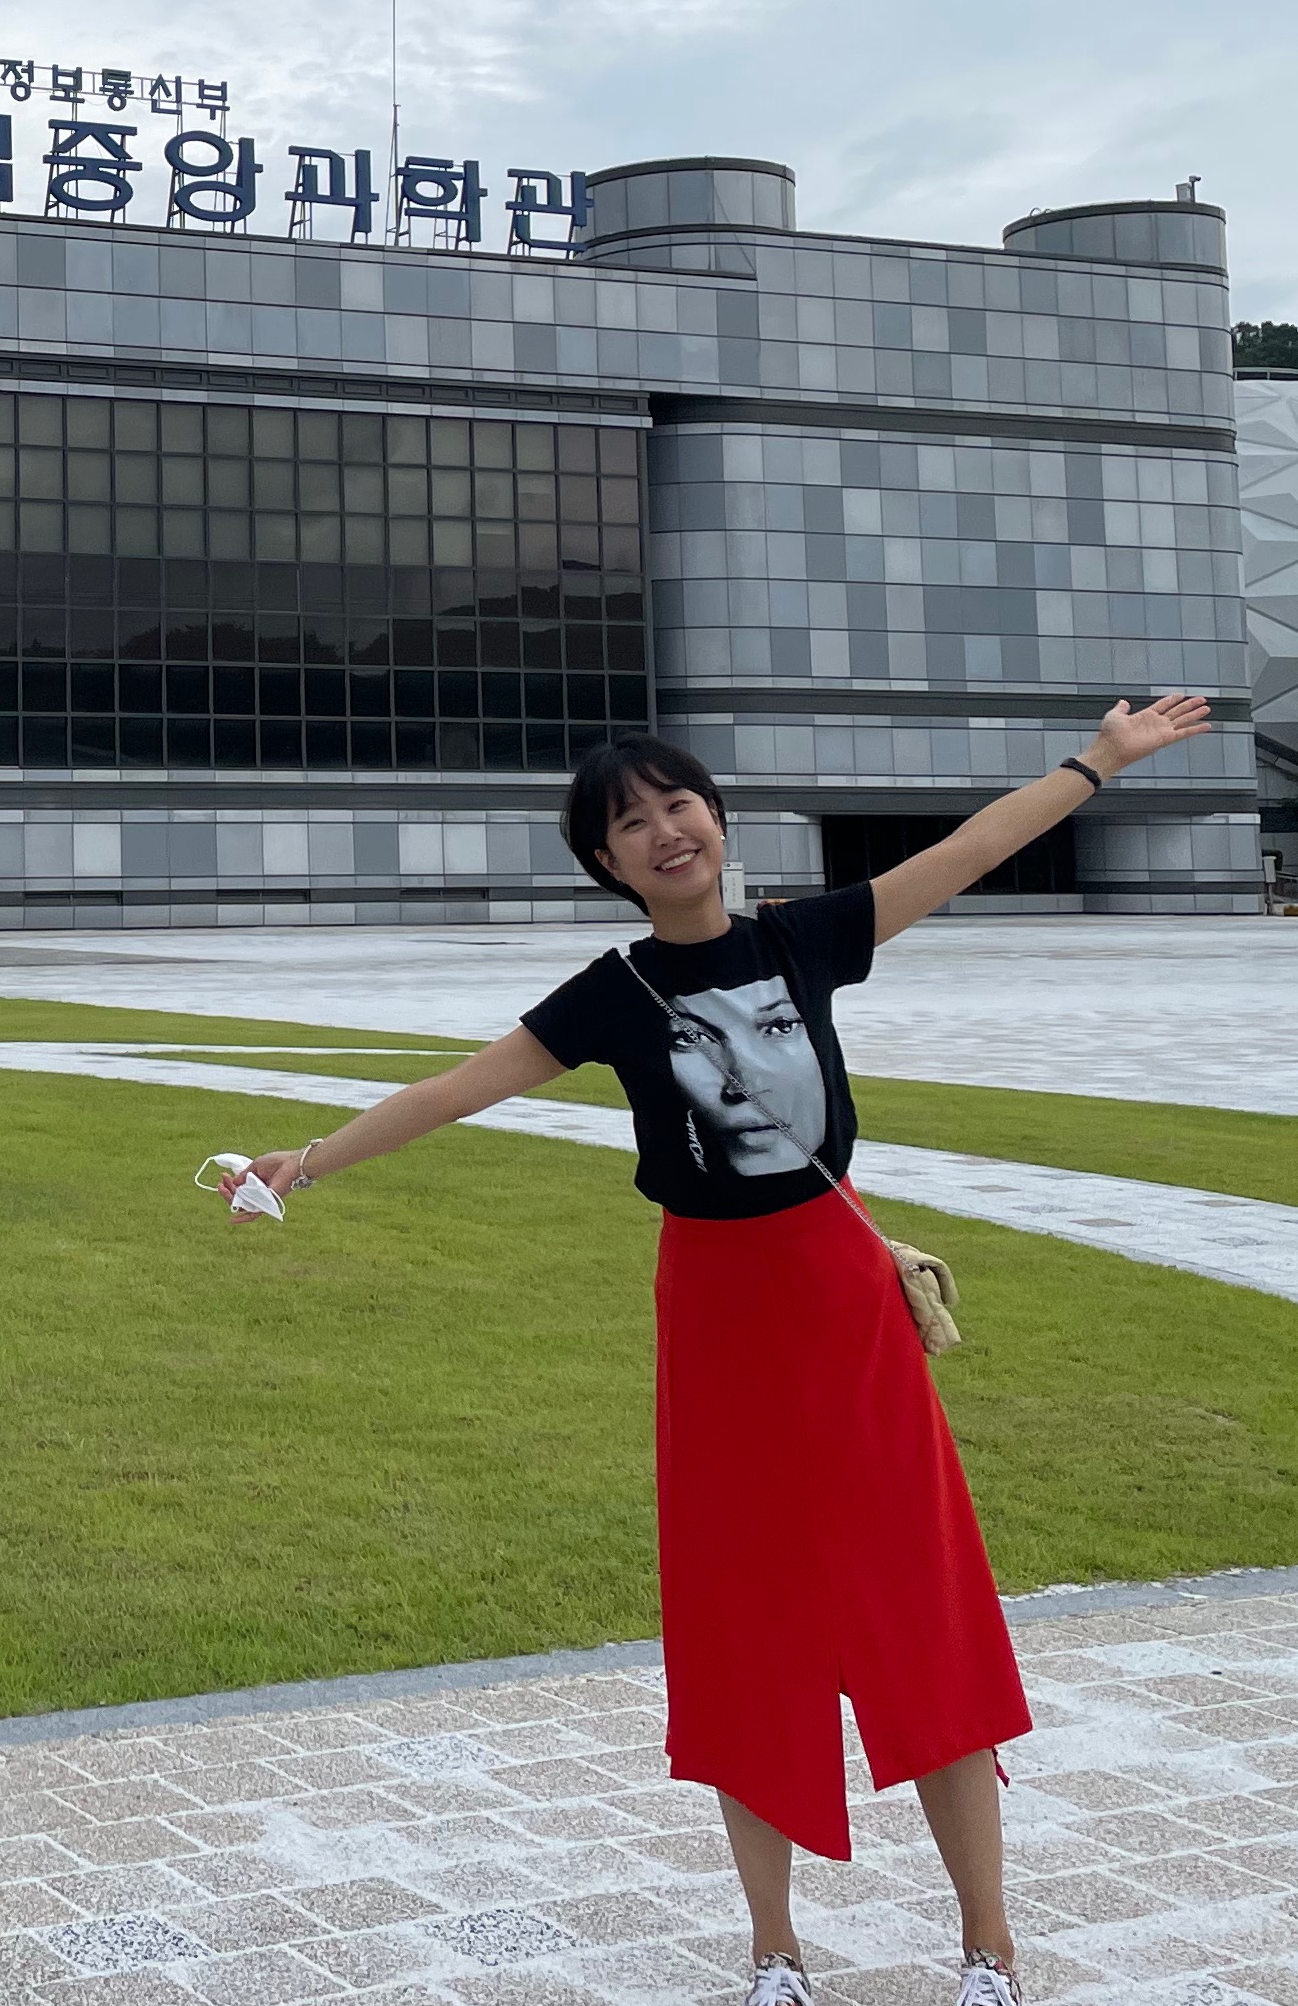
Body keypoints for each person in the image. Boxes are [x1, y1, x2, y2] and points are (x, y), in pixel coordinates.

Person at [228, 693, 1211, 2006]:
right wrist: (309, 1161)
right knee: (744, 1625)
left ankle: (990, 1949)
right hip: (718, 1317)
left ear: (717, 817)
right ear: (608, 863)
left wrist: (1099, 760)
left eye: (677, 802)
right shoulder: (612, 995)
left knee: (921, 1609)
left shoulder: (805, 938)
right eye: (630, 823)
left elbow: (967, 848)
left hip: (842, 1302)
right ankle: (774, 1950)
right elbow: (456, 1090)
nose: (664, 829)